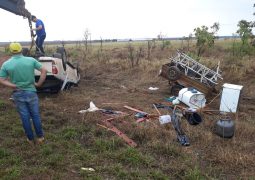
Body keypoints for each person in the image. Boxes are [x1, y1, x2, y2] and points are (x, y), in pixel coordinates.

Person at [0, 42, 47, 145]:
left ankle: (30, 139)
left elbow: (1, 79)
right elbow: (44, 70)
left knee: (24, 116)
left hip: (17, 93)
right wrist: (38, 84)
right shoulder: (30, 60)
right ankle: (40, 138)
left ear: (11, 51)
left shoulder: (6, 64)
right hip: (31, 92)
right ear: (21, 49)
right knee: (35, 115)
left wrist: (12, 85)